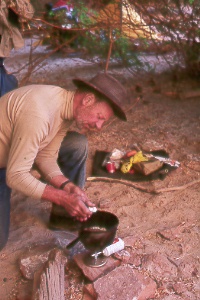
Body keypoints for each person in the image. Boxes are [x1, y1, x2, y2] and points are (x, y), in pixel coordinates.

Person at [0, 72, 128, 250]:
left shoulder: (65, 109)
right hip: (6, 165)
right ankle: (65, 208)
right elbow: (15, 176)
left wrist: (68, 186)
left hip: (12, 155)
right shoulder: (39, 114)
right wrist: (63, 198)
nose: (99, 127)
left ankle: (62, 218)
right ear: (88, 100)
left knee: (76, 143)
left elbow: (45, 157)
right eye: (99, 117)